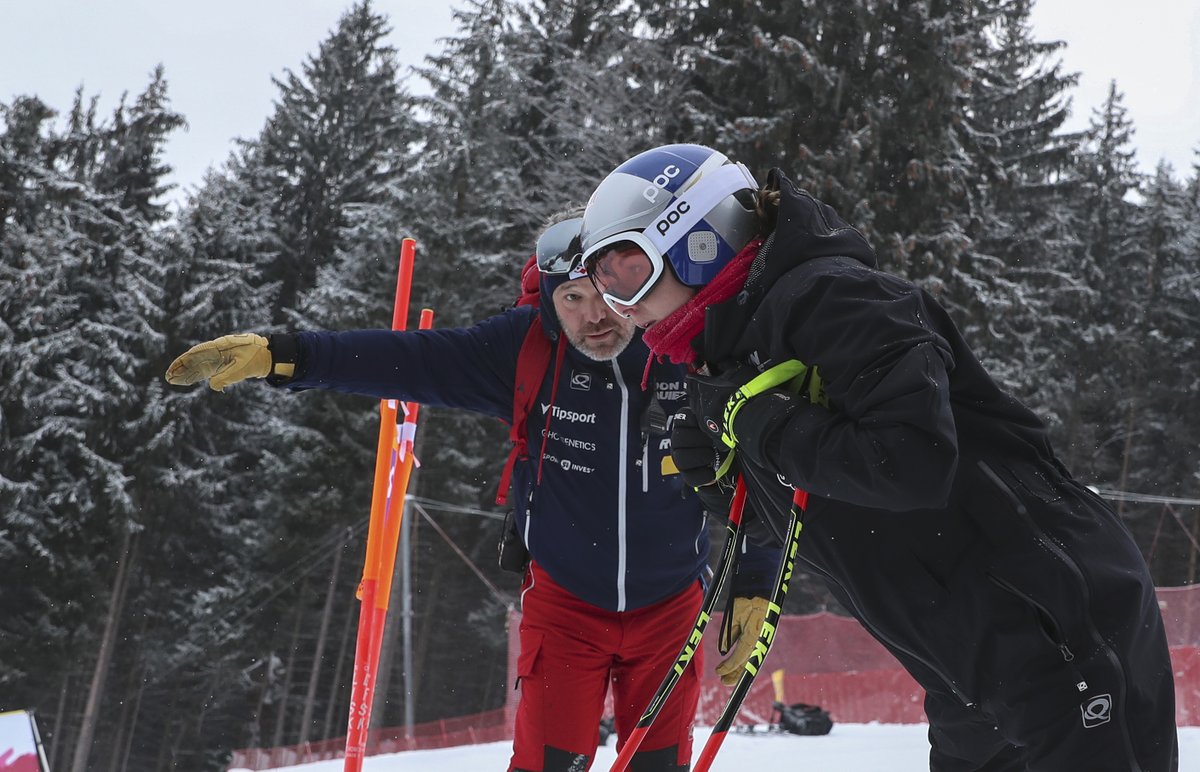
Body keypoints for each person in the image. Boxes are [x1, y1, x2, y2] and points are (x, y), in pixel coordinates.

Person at [575, 143, 1179, 771]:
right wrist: (727, 481)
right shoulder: (725, 355)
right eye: (601, 282)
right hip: (963, 661)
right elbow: (818, 509)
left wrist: (759, 422)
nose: (620, 303)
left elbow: (910, 462)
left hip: (1055, 620)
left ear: (703, 240)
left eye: (628, 271)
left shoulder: (835, 300)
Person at [164, 215, 780, 772]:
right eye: (573, 299)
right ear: (549, 305)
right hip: (567, 607)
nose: (597, 317)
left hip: (672, 608)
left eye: (609, 297)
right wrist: (284, 356)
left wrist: (754, 586)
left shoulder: (681, 346)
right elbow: (407, 359)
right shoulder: (523, 351)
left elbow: (755, 469)